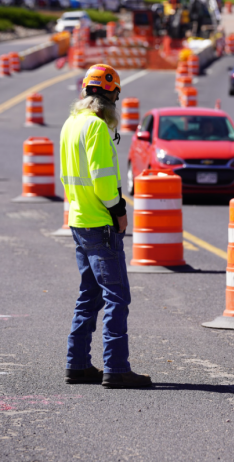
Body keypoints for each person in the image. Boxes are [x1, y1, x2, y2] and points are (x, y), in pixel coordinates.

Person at [60, 64, 152, 388]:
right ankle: (116, 368)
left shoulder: (71, 124)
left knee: (90, 294)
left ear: (86, 92)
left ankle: (78, 364)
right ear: (111, 97)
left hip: (79, 220)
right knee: (116, 296)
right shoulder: (97, 128)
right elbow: (103, 181)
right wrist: (120, 211)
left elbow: (67, 179)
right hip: (100, 222)